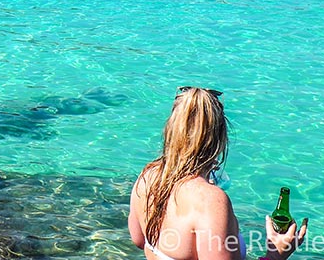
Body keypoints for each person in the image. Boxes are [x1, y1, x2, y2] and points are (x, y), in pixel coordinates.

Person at [129, 87, 307, 260]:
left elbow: (139, 240)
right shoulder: (211, 201)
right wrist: (275, 255)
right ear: (220, 139)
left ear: (171, 130)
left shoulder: (147, 177)